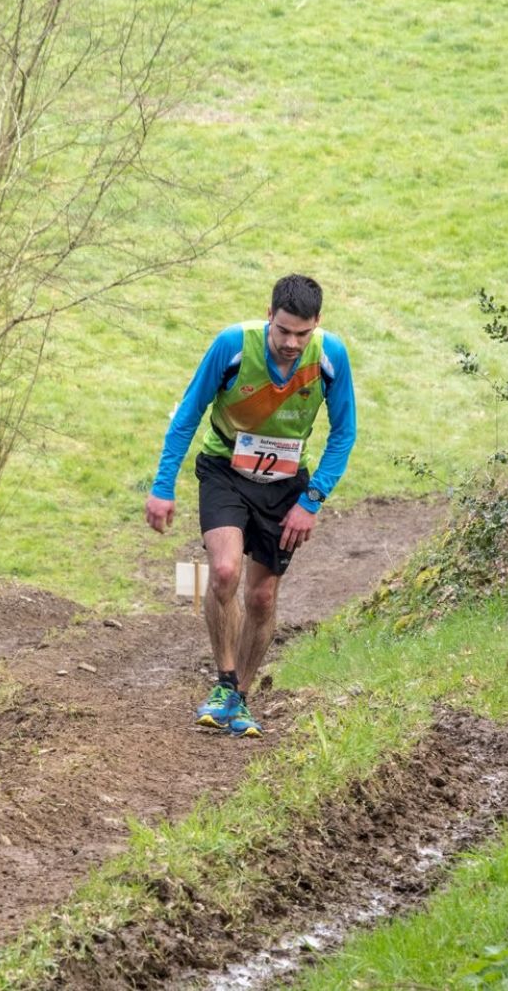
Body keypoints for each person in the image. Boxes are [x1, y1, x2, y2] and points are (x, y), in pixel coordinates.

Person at [143, 274, 357, 737]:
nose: (291, 343)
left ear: (317, 323)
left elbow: (345, 433)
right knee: (224, 572)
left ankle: (239, 697)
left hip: (286, 486)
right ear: (269, 315)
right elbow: (187, 415)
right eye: (283, 331)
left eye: (302, 333)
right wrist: (163, 486)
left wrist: (312, 501)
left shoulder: (330, 356)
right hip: (225, 470)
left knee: (262, 597)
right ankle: (223, 682)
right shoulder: (233, 345)